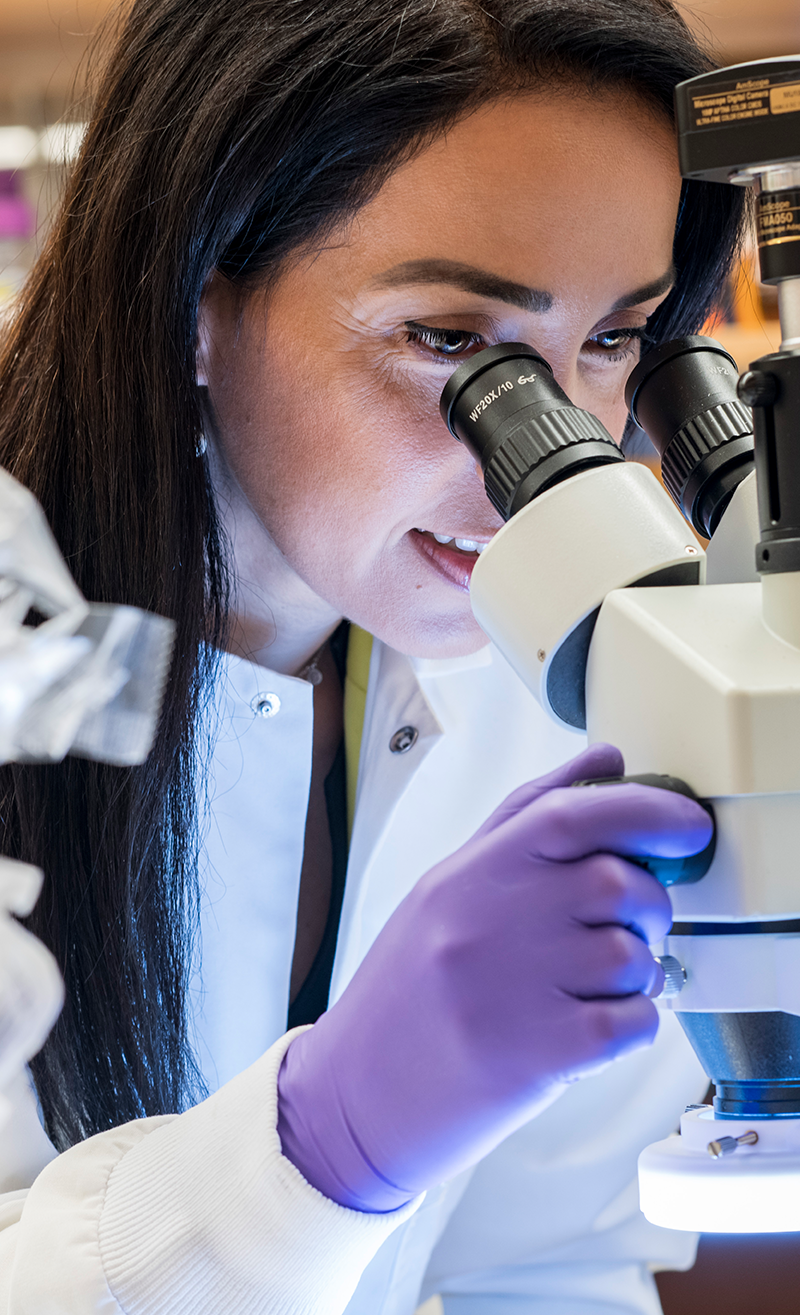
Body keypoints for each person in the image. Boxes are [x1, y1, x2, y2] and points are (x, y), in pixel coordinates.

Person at [0, 0, 745, 1311]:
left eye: (614, 340)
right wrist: (322, 1149)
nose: (552, 461)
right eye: (453, 343)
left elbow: (550, 1259)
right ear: (191, 297)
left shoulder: (544, 688)